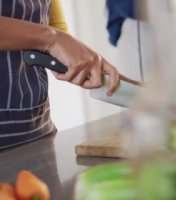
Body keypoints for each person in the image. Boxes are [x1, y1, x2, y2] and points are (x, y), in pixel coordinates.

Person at [0, 0, 120, 149]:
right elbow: (52, 37)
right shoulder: (50, 37)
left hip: (37, 132)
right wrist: (51, 38)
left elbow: (56, 28)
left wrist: (91, 65)